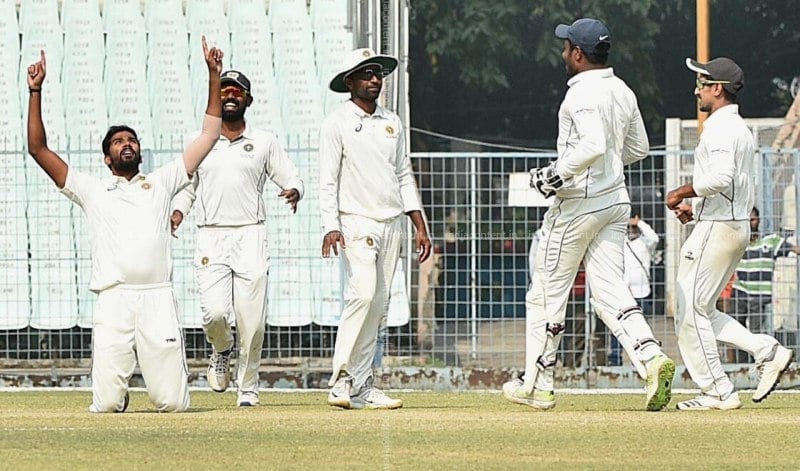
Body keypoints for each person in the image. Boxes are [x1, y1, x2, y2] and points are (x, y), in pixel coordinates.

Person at [25, 39, 223, 412]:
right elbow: (38, 150)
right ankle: (119, 390)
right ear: (106, 157)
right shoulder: (93, 189)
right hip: (114, 298)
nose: (126, 144)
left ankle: (158, 386)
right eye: (118, 142)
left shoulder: (162, 182)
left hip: (157, 297)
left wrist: (213, 75)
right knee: (107, 405)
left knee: (174, 405)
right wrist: (35, 91)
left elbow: (210, 136)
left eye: (131, 139)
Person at [503, 18, 675, 412]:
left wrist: (555, 174)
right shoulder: (622, 89)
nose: (563, 53)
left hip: (578, 204)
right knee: (610, 291)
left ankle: (538, 384)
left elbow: (594, 144)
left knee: (545, 292)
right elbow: (639, 148)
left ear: (578, 54)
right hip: (614, 202)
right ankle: (650, 356)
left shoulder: (579, 94)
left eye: (566, 47)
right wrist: (605, 167)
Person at [666, 57, 793, 410]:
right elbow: (732, 184)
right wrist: (699, 209)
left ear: (718, 88)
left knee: (689, 309)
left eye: (702, 83)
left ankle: (717, 390)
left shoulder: (721, 128)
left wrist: (681, 193)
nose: (697, 90)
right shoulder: (734, 128)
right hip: (727, 224)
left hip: (718, 230)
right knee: (701, 308)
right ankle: (767, 349)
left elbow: (721, 178)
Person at [170, 70, 304, 407]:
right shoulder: (199, 141)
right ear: (217, 98)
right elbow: (188, 187)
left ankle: (248, 388)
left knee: (253, 321)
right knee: (214, 314)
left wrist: (294, 190)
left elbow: (289, 176)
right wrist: (177, 211)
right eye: (225, 90)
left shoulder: (264, 141)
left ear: (248, 100)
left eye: (237, 91)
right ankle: (221, 348)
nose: (230, 95)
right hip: (210, 235)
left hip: (251, 233)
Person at [320, 48, 432, 409]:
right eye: (366, 74)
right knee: (363, 294)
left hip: (391, 222)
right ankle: (340, 380)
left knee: (379, 304)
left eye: (377, 74)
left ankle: (363, 383)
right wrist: (330, 226)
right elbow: (327, 180)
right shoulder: (336, 122)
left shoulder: (392, 121)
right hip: (356, 220)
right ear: (349, 81)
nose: (374, 79)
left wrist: (419, 223)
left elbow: (402, 174)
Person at [729, 207, 799, 362]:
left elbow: (795, 249)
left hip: (759, 296)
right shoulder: (738, 242)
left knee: (756, 333)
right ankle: (740, 365)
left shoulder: (770, 241)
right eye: (746, 220)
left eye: (752, 219)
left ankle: (757, 366)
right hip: (739, 293)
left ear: (758, 220)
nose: (749, 223)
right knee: (736, 332)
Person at [608, 212, 659, 365]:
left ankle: (645, 358)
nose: (631, 229)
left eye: (633, 226)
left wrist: (639, 223)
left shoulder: (646, 242)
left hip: (642, 292)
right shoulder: (620, 241)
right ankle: (615, 359)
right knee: (619, 328)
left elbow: (654, 237)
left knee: (641, 328)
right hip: (623, 293)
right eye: (628, 226)